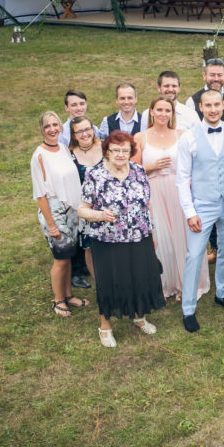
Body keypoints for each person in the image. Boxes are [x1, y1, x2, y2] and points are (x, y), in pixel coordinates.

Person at [77, 130, 165, 348]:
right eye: (115, 150)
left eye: (125, 150)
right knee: (110, 282)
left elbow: (147, 204)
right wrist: (100, 215)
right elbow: (82, 209)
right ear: (107, 151)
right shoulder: (95, 175)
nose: (120, 154)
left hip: (139, 236)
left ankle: (139, 317)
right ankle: (105, 327)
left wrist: (151, 233)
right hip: (108, 240)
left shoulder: (138, 171)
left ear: (131, 152)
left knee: (139, 277)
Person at [176, 90, 224, 333]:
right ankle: (188, 308)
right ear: (200, 108)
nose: (213, 109)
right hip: (201, 205)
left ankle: (222, 293)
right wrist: (189, 212)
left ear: (223, 105)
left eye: (217, 104)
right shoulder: (188, 138)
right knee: (194, 255)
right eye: (208, 105)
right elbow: (182, 178)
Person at [132, 97, 210, 302]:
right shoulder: (141, 138)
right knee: (162, 238)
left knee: (182, 236)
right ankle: (166, 283)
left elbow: (196, 164)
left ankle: (188, 284)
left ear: (172, 113)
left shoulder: (181, 135)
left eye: (167, 110)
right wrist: (152, 167)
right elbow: (131, 171)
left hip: (179, 191)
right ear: (151, 111)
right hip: (154, 191)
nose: (163, 114)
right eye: (159, 109)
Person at [31, 111, 88, 318]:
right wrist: (51, 223)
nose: (53, 129)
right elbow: (39, 194)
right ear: (42, 130)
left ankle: (68, 295)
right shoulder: (39, 156)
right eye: (48, 126)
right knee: (61, 258)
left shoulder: (63, 148)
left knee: (69, 256)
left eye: (55, 125)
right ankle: (58, 300)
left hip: (72, 210)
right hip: (54, 211)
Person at [68, 116, 102, 283]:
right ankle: (100, 284)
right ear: (74, 135)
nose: (84, 134)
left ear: (93, 129)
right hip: (86, 206)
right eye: (79, 131)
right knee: (89, 247)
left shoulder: (106, 146)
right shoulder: (70, 156)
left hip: (108, 205)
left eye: (87, 129)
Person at [186, 58, 224, 128]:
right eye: (212, 75)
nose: (216, 79)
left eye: (220, 75)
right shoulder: (192, 102)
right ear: (204, 76)